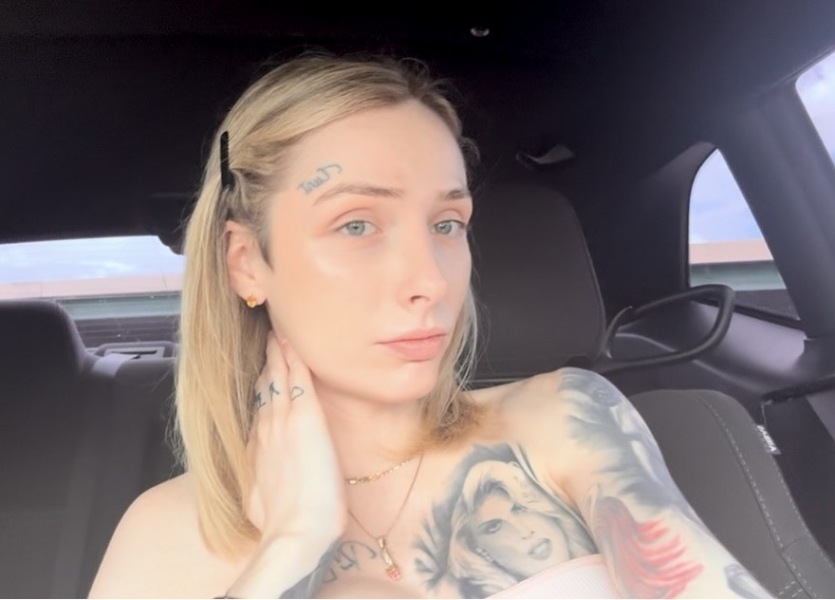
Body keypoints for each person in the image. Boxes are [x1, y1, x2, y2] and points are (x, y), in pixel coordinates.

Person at [89, 53, 770, 598]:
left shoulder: (565, 420)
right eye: (356, 225)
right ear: (246, 263)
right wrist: (292, 544)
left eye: (447, 224)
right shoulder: (164, 533)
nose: (431, 280)